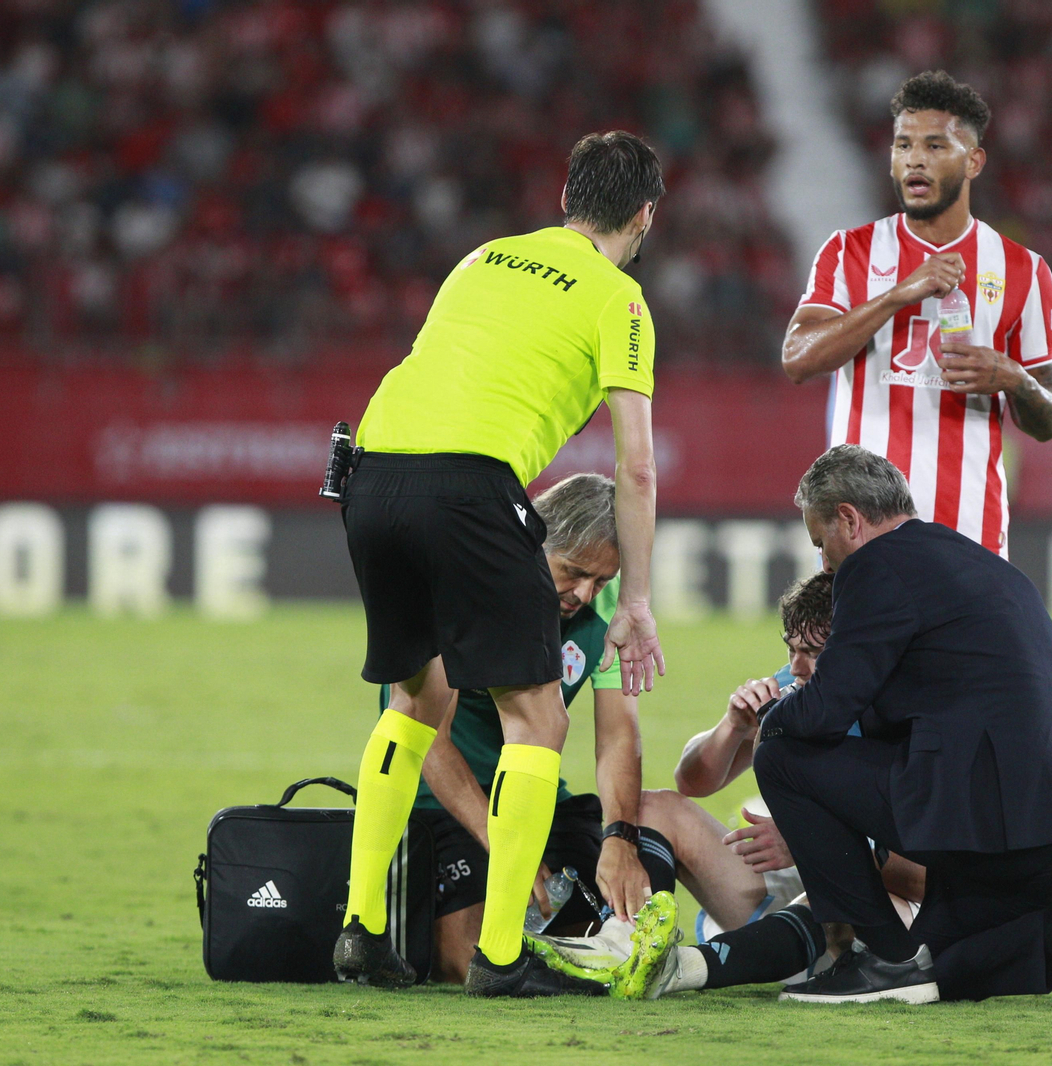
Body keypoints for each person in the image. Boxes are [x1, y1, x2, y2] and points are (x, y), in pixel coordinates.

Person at [333, 130, 667, 997]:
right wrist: (636, 599)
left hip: (370, 472)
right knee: (538, 719)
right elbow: (635, 466)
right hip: (467, 483)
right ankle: (503, 957)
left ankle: (362, 931)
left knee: (416, 701)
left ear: (564, 200)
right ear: (644, 216)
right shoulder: (621, 299)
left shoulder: (481, 258)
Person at [753, 445, 1052, 1007]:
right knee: (946, 965)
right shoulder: (986, 565)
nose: (824, 563)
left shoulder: (874, 566)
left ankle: (881, 957)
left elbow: (827, 709)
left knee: (781, 754)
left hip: (980, 812)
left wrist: (771, 716)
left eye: (821, 542)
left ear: (849, 519)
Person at [531, 572, 925, 999]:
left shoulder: (906, 714)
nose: (797, 667)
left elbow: (927, 876)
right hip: (797, 877)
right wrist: (733, 726)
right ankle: (624, 943)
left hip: (878, 916)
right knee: (653, 808)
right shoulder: (797, 687)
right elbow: (691, 781)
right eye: (792, 650)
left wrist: (815, 844)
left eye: (813, 653)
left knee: (835, 901)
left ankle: (677, 968)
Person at [781, 70, 1052, 557]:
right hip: (862, 534)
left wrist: (1014, 378)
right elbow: (797, 359)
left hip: (969, 533)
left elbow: (1051, 417)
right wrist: (896, 296)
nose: (914, 158)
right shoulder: (849, 252)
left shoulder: (1024, 270)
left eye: (935, 146)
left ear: (973, 161)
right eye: (903, 145)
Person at [402, 474, 657, 984]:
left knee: (611, 925)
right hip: (446, 802)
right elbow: (428, 739)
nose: (584, 594)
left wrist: (619, 837)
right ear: (535, 540)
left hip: (538, 799)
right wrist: (505, 844)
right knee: (467, 956)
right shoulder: (462, 582)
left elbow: (618, 736)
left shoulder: (613, 606)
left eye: (601, 581)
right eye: (575, 572)